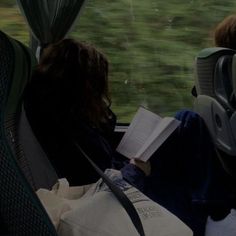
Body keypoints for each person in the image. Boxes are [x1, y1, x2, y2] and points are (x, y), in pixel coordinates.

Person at [24, 38, 226, 236]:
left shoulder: (62, 112)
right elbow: (103, 190)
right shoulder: (68, 130)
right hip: (122, 198)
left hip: (120, 177)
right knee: (188, 124)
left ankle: (210, 205)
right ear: (86, 84)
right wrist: (137, 169)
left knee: (185, 122)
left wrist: (102, 114)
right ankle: (210, 210)